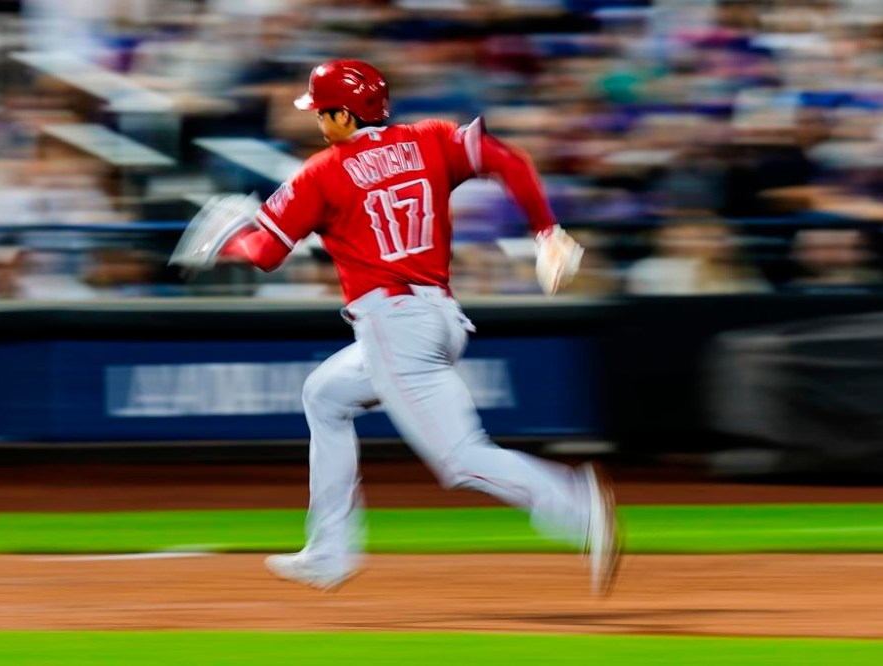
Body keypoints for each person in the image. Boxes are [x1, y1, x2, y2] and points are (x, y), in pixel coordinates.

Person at [171, 59, 620, 595]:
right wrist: (547, 231)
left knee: (460, 459)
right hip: (439, 318)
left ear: (344, 113)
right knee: (324, 396)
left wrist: (226, 243)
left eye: (321, 111)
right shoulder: (429, 140)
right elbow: (507, 157)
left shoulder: (323, 170)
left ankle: (575, 505)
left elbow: (265, 252)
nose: (318, 120)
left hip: (393, 325)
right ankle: (329, 551)